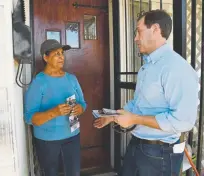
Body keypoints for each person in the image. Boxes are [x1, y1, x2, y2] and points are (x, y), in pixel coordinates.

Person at [94, 10, 199, 176]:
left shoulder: (176, 68)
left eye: (138, 31)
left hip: (160, 154)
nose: (135, 38)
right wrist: (113, 116)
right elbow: (139, 105)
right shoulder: (148, 66)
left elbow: (183, 120)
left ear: (155, 29)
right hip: (137, 146)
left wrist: (135, 119)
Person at [24, 39, 87, 176]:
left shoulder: (71, 79)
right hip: (47, 140)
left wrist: (79, 109)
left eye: (62, 53)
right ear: (45, 57)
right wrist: (53, 112)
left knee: (74, 173)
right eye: (56, 54)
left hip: (72, 136)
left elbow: (83, 103)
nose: (61, 57)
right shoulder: (39, 83)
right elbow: (29, 118)